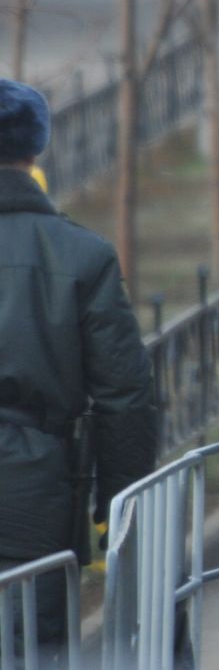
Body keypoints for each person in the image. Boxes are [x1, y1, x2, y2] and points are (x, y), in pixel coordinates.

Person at [0, 81, 155, 649]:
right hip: (36, 496)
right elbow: (125, 396)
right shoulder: (83, 255)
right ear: (34, 151)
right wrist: (121, 511)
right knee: (30, 649)